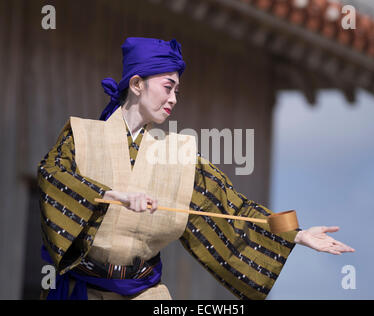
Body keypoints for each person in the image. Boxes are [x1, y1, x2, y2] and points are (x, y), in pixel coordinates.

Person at [38, 37, 355, 300]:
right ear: (136, 84)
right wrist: (110, 194)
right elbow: (52, 178)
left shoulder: (177, 155)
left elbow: (230, 207)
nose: (174, 98)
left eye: (177, 90)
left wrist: (296, 234)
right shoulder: (81, 137)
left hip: (144, 293)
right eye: (167, 86)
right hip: (81, 290)